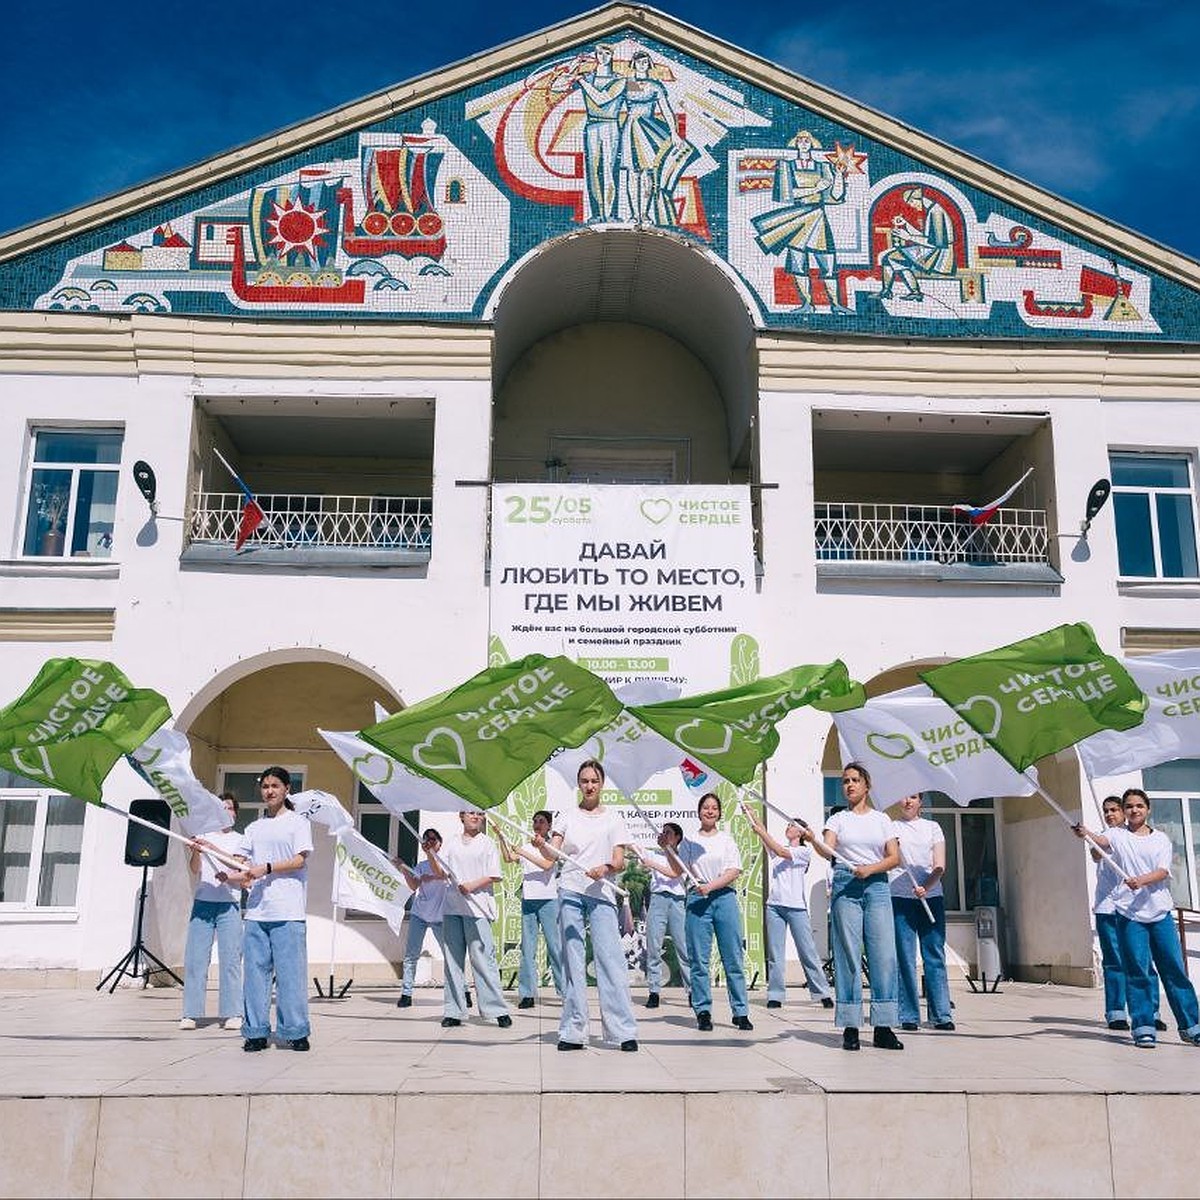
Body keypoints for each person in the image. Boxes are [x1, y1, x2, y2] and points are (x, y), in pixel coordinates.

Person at [1074, 788, 1200, 1049]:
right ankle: (1143, 1027)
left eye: (1139, 806)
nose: (1134, 810)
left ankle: (1191, 1026)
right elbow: (1101, 843)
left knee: (1173, 969)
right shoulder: (1117, 835)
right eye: (1129, 806)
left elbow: (1163, 871)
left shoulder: (1161, 839)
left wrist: (1140, 880)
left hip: (1160, 914)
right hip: (1130, 916)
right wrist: (1085, 834)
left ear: (1148, 809)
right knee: (1137, 971)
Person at [539, 759, 638, 1052]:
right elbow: (552, 855)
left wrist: (605, 867)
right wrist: (542, 843)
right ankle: (573, 1031)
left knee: (610, 962)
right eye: (584, 781)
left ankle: (622, 1032)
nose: (589, 786)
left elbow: (619, 861)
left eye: (594, 780)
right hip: (570, 890)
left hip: (602, 892)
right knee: (573, 963)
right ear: (579, 784)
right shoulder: (567, 816)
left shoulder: (614, 819)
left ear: (602, 783)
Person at [808, 763, 904, 1051]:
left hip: (876, 885)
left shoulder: (882, 819)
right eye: (845, 781)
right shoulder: (838, 820)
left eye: (855, 780)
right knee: (848, 953)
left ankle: (884, 1027)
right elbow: (828, 851)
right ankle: (850, 1025)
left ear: (866, 786)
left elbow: (895, 857)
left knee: (883, 954)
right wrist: (813, 839)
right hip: (845, 883)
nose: (849, 785)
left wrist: (871, 869)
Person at [223, 767, 313, 1052]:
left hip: (287, 911)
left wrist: (267, 868)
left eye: (275, 785)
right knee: (255, 974)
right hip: (257, 912)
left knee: (290, 975)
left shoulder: (297, 823)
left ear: (287, 788)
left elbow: (300, 860)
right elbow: (240, 865)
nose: (269, 791)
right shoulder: (254, 828)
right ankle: (256, 1032)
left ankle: (296, 1031)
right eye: (265, 786)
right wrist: (222, 866)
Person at [664, 792, 752, 1032]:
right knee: (699, 961)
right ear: (699, 811)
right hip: (697, 900)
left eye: (714, 807)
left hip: (723, 898)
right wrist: (667, 849)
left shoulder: (727, 840)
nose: (710, 811)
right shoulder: (690, 841)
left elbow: (734, 870)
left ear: (720, 812)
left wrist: (711, 887)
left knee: (732, 958)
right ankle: (702, 1011)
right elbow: (676, 871)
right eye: (706, 807)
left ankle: (741, 1012)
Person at [742, 804, 833, 1012]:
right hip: (774, 906)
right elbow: (772, 844)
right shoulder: (776, 850)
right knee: (775, 953)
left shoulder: (802, 852)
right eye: (788, 824)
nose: (788, 827)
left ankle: (822, 993)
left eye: (792, 825)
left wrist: (762, 832)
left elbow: (781, 851)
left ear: (800, 833)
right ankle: (775, 995)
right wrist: (752, 815)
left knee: (808, 952)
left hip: (796, 908)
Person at [751, 129, 851, 313]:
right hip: (799, 216)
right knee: (798, 263)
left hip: (818, 216)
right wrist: (815, 188)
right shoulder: (786, 166)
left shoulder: (823, 166)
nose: (804, 142)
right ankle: (807, 304)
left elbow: (836, 196)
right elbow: (786, 194)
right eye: (800, 140)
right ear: (795, 143)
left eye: (807, 140)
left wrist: (838, 176)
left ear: (812, 143)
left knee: (828, 262)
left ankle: (836, 305)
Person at [1089, 796, 1164, 1032]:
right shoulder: (1107, 836)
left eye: (1114, 810)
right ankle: (1116, 1012)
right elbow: (1096, 853)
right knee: (1114, 961)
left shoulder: (1137, 838)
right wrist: (1092, 837)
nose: (1110, 814)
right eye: (1106, 811)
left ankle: (1152, 1011)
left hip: (1134, 908)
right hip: (1107, 907)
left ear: (1124, 812)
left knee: (1143, 960)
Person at [430, 812, 512, 1029]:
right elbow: (441, 872)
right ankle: (454, 1011)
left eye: (479, 814)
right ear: (462, 816)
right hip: (452, 907)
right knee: (453, 961)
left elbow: (494, 875)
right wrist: (430, 854)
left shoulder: (487, 843)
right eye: (471, 813)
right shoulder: (452, 843)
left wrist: (472, 885)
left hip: (478, 909)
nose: (475, 817)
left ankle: (497, 1010)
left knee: (483, 960)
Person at [181, 792, 248, 1031]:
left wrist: (212, 847)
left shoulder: (241, 839)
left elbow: (239, 865)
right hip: (203, 902)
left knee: (231, 959)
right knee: (196, 959)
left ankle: (232, 1013)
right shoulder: (204, 836)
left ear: (235, 814)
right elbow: (195, 869)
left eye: (230, 808)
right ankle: (191, 1013)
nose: (226, 812)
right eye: (222, 808)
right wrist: (198, 850)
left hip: (229, 903)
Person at [889, 794, 954, 1032]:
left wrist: (926, 886)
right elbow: (888, 859)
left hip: (931, 897)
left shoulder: (932, 827)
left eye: (914, 797)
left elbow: (940, 864)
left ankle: (941, 1014)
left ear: (920, 802)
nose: (908, 801)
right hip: (900, 898)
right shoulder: (892, 827)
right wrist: (892, 846)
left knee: (934, 955)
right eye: (904, 797)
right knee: (904, 957)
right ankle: (908, 1015)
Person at [496, 810, 565, 1009]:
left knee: (555, 948)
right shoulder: (526, 845)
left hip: (548, 901)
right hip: (528, 901)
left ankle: (565, 992)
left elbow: (546, 864)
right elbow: (509, 857)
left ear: (549, 825)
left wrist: (524, 851)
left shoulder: (552, 847)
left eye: (541, 821)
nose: (537, 824)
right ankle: (527, 994)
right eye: (535, 821)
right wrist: (501, 836)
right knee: (528, 949)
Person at [630, 822, 690, 1008]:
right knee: (653, 947)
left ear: (677, 837)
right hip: (657, 901)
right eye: (663, 832)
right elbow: (632, 845)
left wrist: (653, 863)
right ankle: (654, 991)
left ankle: (692, 991)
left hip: (677, 902)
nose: (664, 835)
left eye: (669, 833)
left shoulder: (684, 856)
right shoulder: (653, 854)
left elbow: (674, 873)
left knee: (683, 948)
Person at [394, 828, 450, 1009]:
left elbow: (442, 875)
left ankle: (462, 991)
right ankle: (406, 993)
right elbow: (413, 885)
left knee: (450, 955)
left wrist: (431, 876)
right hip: (419, 914)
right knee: (411, 954)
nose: (431, 842)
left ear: (440, 843)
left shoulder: (446, 862)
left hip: (440, 916)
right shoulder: (420, 865)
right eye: (427, 839)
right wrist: (403, 869)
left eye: (434, 839)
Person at [879, 186, 956, 300]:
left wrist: (908, 237)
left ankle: (903, 291)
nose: (913, 206)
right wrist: (906, 224)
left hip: (940, 255)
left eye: (911, 203)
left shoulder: (936, 212)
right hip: (934, 251)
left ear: (916, 199)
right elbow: (926, 237)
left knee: (890, 258)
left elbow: (937, 243)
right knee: (892, 259)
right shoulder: (932, 210)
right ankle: (904, 292)